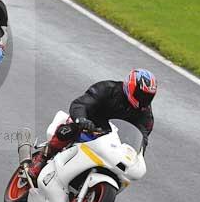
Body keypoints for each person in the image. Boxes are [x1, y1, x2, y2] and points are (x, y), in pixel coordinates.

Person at [29, 69, 157, 181]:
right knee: (69, 130)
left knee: (125, 169)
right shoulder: (107, 89)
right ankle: (42, 158)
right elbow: (81, 103)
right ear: (130, 86)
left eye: (147, 97)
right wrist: (82, 119)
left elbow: (142, 137)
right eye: (141, 94)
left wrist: (137, 155)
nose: (143, 99)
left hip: (112, 141)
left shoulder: (145, 115)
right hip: (89, 125)